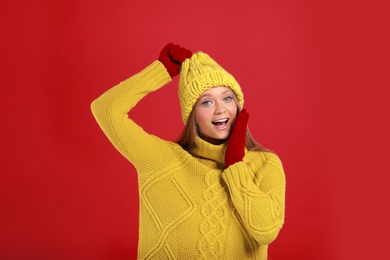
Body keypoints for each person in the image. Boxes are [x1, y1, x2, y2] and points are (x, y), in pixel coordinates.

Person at [91, 43, 286, 260]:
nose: (220, 109)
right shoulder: (162, 160)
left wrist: (235, 165)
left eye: (227, 98)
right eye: (207, 102)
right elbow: (106, 110)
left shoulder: (265, 164)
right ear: (192, 115)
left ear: (238, 106)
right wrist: (160, 71)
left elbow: (265, 230)